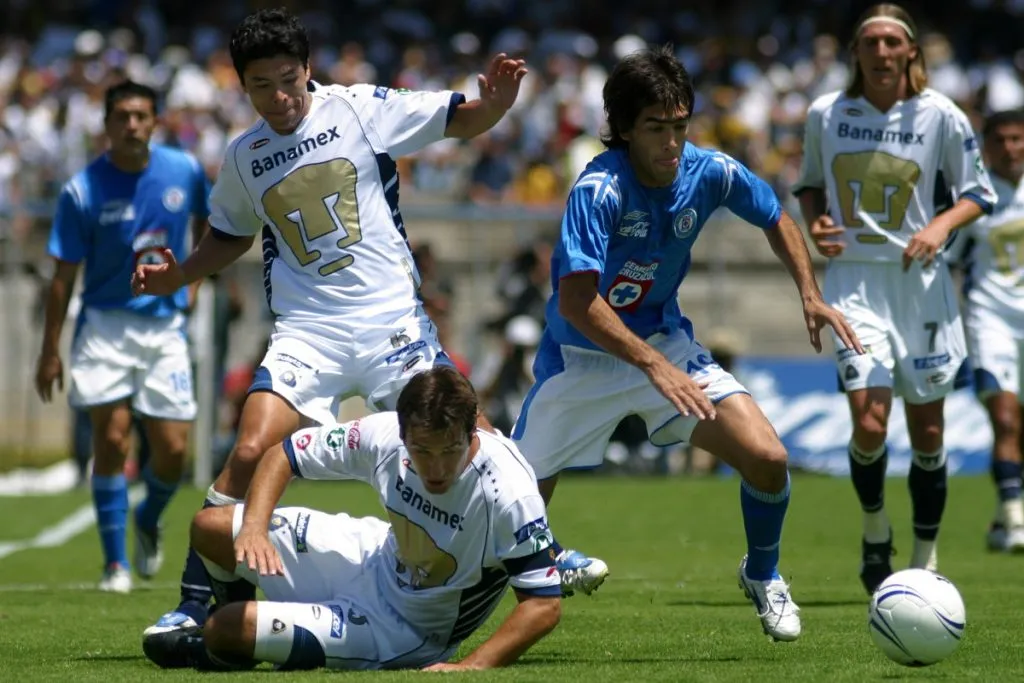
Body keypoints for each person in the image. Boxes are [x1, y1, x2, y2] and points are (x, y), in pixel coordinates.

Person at [131, 8, 528, 637]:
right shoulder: (245, 157)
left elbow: (461, 118)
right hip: (308, 333)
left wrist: (496, 106)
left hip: (389, 322)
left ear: (308, 69)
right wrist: (181, 276)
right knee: (250, 448)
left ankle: (542, 550)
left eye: (289, 79)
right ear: (243, 87)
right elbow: (229, 235)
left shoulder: (359, 109)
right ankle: (195, 598)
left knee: (466, 425)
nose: (279, 97)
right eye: (262, 86)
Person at [511, 45, 863, 642]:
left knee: (769, 458)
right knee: (508, 507)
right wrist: (652, 366)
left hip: (664, 346)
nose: (672, 142)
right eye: (655, 128)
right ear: (623, 129)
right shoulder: (598, 190)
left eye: (679, 126)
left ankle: (763, 573)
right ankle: (541, 559)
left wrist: (809, 290)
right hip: (580, 360)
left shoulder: (710, 171)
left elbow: (775, 215)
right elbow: (577, 301)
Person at [142, 367, 561, 672]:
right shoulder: (383, 436)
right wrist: (254, 528)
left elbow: (543, 606)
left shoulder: (509, 490)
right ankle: (237, 650)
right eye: (422, 451)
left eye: (450, 450)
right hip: (370, 556)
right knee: (211, 526)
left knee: (225, 628)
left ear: (472, 434)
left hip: (404, 629)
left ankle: (220, 640)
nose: (436, 468)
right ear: (402, 434)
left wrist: (473, 666)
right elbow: (284, 454)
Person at [792, 3, 998, 593]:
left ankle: (926, 555)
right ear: (854, 53)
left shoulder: (941, 115)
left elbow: (978, 192)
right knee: (870, 420)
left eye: (892, 43)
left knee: (929, 434)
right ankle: (875, 527)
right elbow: (808, 183)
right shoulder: (825, 114)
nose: (881, 53)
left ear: (911, 52)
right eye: (870, 42)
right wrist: (818, 225)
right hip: (854, 281)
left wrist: (939, 226)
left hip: (922, 285)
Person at [34, 79, 210, 593]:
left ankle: (149, 518)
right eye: (122, 117)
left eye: (141, 115)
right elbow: (63, 275)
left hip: (165, 323)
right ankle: (115, 567)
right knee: (110, 439)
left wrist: (192, 278)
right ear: (107, 125)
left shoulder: (185, 170)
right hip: (104, 326)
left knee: (173, 451)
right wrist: (49, 350)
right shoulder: (81, 190)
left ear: (155, 121)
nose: (132, 125)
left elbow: (209, 223)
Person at [950, 109, 1024, 551]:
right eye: (1002, 140)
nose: (1011, 148)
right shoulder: (975, 198)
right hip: (990, 320)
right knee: (1005, 418)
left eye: (1019, 139)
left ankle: (1002, 519)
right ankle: (1016, 519)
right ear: (987, 146)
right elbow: (951, 261)